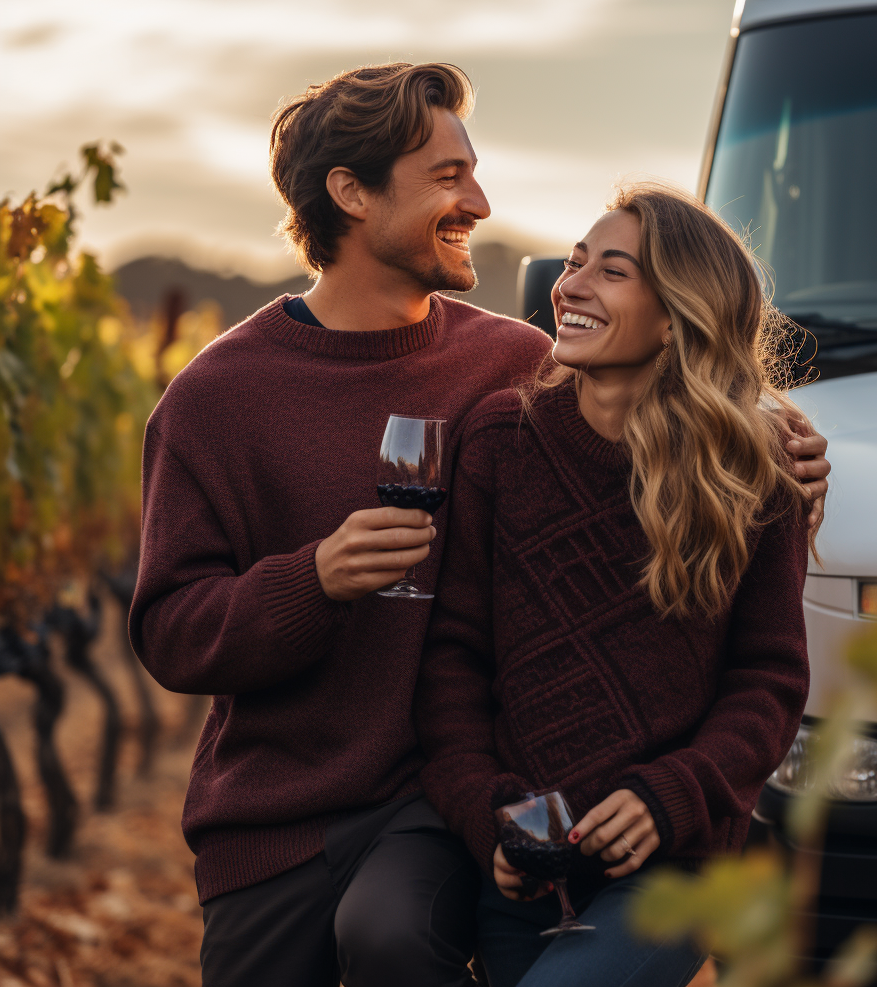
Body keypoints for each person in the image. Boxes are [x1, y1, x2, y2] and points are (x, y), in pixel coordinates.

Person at [129, 62, 830, 987]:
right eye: (448, 177)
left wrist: (781, 454)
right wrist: (316, 580)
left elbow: (675, 394)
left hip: (442, 795)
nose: (482, 201)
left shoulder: (516, 363)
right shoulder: (215, 398)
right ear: (351, 193)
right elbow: (171, 634)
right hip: (281, 812)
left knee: (391, 937)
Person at [415, 183, 815, 987]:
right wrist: (488, 816)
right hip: (526, 853)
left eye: (613, 270)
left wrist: (673, 794)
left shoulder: (754, 468)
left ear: (677, 314)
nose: (571, 285)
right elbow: (454, 661)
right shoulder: (502, 439)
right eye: (573, 263)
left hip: (677, 864)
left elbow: (768, 681)